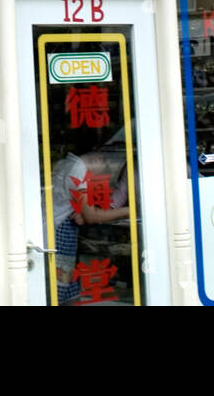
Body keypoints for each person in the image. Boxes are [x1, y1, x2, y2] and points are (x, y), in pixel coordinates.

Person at [50, 130, 130, 305]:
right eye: (105, 162)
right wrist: (128, 211)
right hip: (58, 236)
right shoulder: (78, 170)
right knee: (59, 290)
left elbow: (72, 203)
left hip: (60, 232)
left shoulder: (67, 163)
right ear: (97, 158)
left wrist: (80, 210)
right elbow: (92, 215)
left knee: (69, 291)